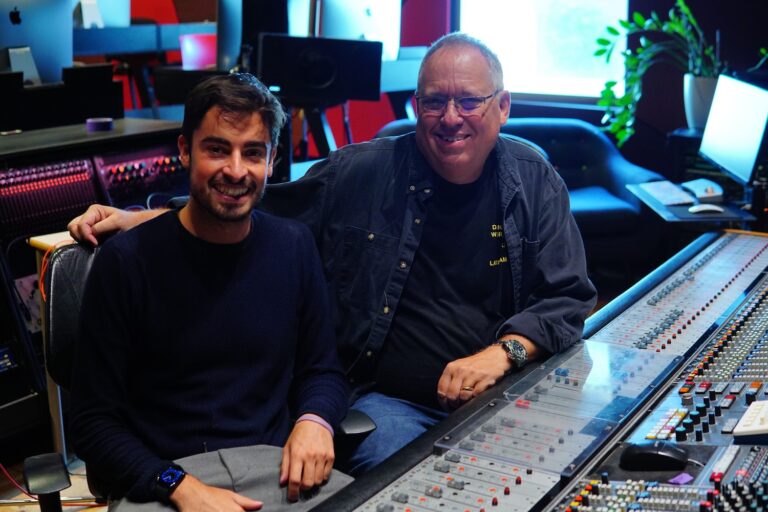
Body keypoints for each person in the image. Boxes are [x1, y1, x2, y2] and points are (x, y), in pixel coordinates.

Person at [69, 33, 597, 476]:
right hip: (391, 406)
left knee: (566, 470)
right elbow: (249, 199)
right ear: (416, 106)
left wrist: (504, 353)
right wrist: (144, 219)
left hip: (508, 388)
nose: (450, 117)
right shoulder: (361, 172)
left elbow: (569, 296)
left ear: (502, 107)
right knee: (406, 479)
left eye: (470, 101)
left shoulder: (534, 181)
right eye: (434, 101)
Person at [70, 73, 352, 511]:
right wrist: (179, 487)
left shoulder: (294, 246)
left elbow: (323, 370)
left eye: (252, 153)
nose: (236, 171)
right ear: (185, 150)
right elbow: (92, 422)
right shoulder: (125, 262)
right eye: (217, 149)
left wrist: (315, 421)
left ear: (272, 160)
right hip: (165, 482)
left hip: (277, 471)